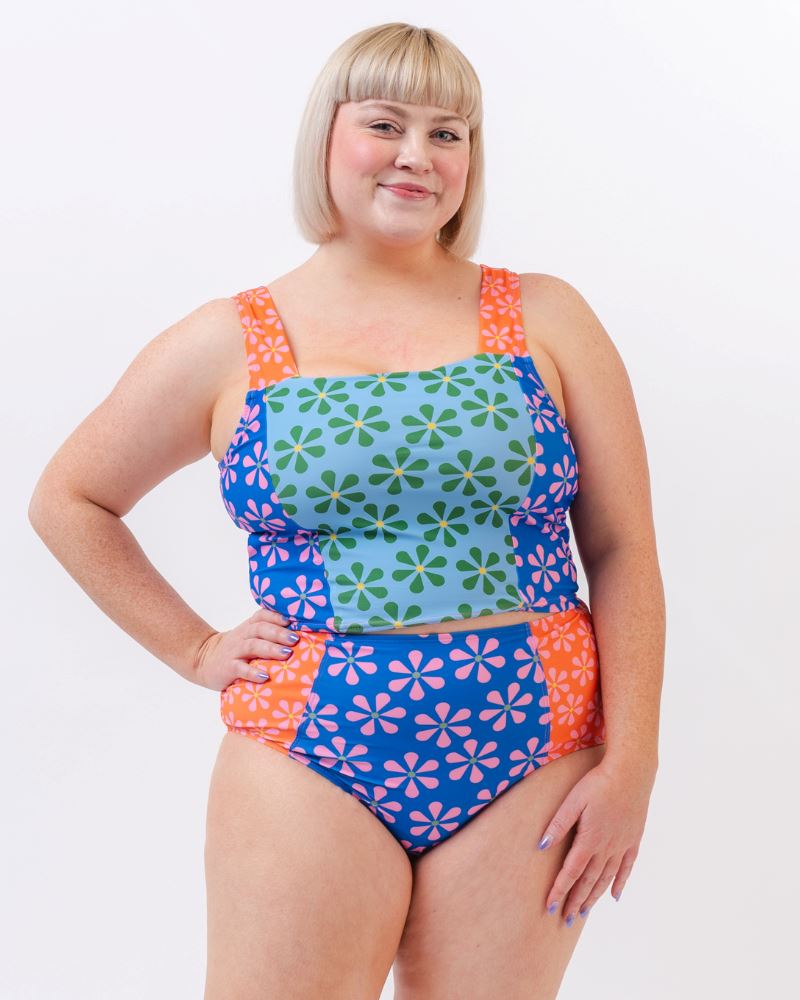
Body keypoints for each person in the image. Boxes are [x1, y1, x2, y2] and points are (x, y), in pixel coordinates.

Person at [28, 21, 665, 1000]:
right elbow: (70, 498)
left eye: (448, 134)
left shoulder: (545, 315)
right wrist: (196, 648)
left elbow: (619, 550)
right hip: (309, 745)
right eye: (385, 124)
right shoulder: (230, 339)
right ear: (325, 138)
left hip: (536, 744)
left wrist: (630, 766)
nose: (417, 155)